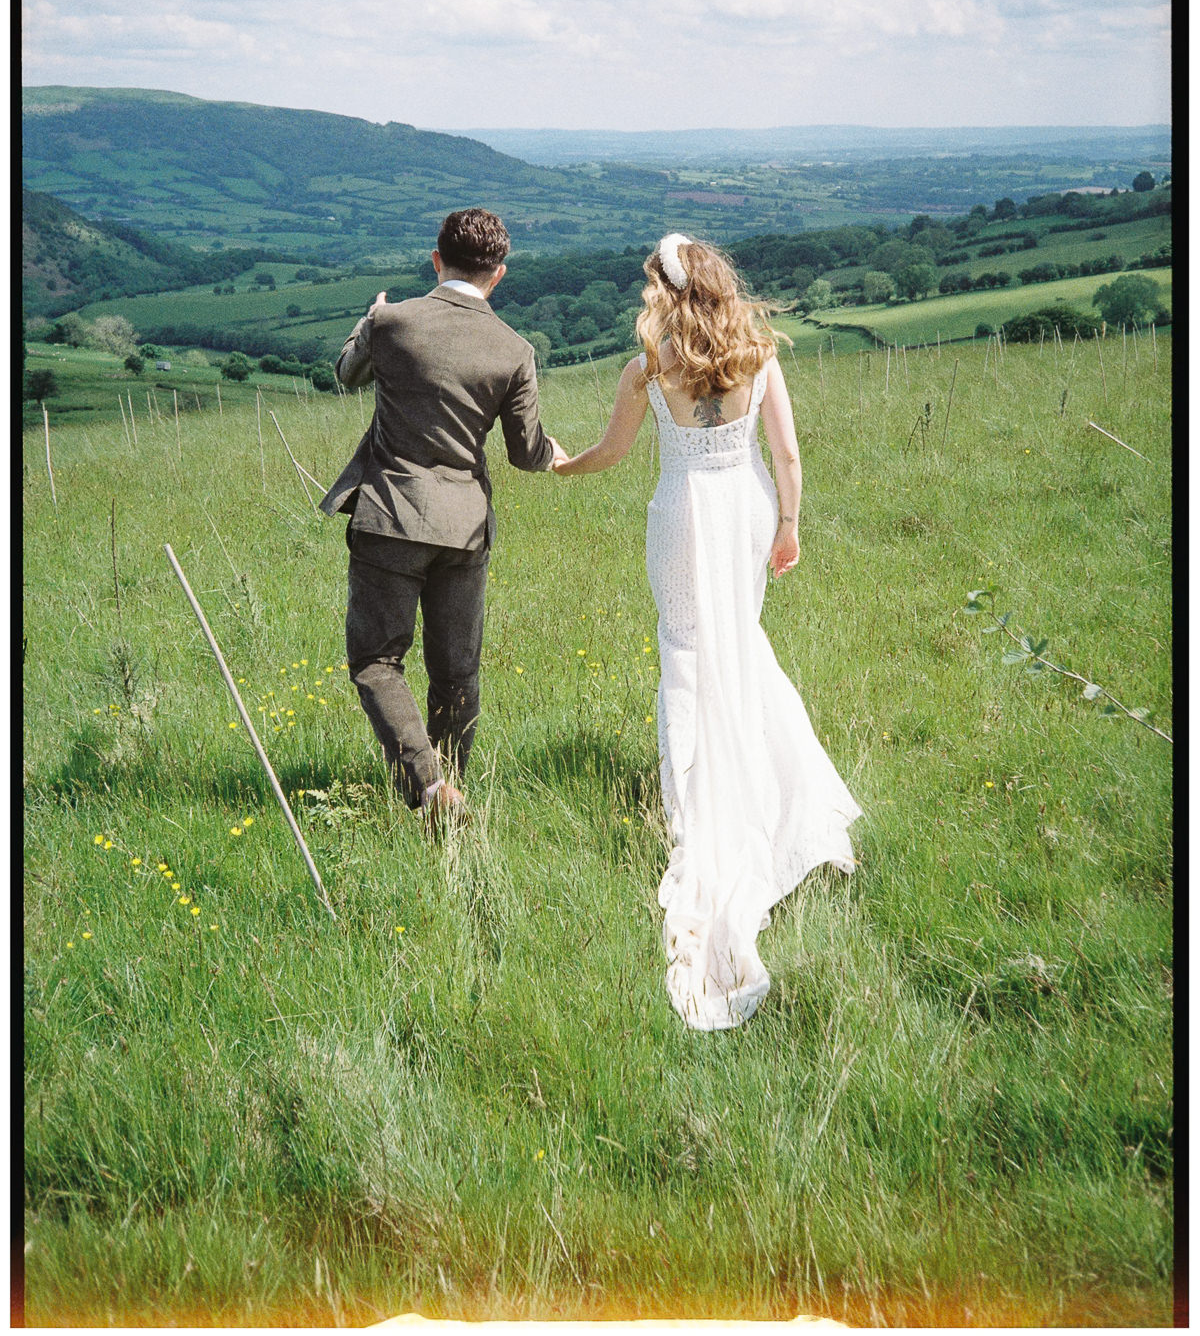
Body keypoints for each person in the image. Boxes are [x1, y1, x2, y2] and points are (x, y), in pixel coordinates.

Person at [553, 233, 862, 1030]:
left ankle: (694, 812)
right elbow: (786, 455)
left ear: (664, 289)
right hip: (746, 507)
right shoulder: (759, 354)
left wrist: (560, 464)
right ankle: (778, 793)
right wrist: (789, 523)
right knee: (739, 647)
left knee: (687, 654)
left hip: (684, 515)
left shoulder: (650, 364)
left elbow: (613, 452)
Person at [320, 207, 565, 821]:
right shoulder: (515, 350)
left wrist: (366, 321)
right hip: (465, 527)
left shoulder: (390, 321)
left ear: (436, 260)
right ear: (499, 274)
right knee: (457, 669)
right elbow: (525, 452)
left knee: (378, 660)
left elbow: (346, 374)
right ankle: (450, 786)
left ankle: (430, 788)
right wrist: (561, 455)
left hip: (389, 515)